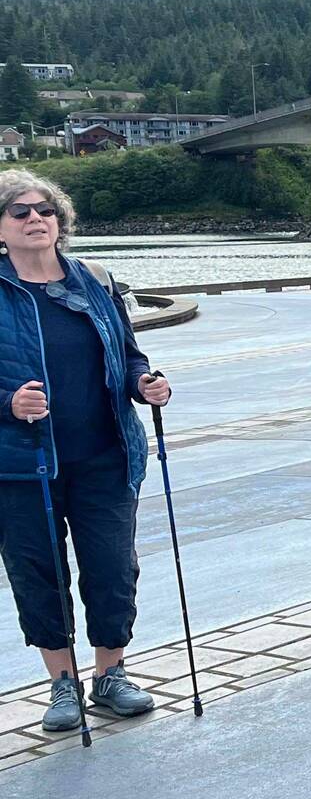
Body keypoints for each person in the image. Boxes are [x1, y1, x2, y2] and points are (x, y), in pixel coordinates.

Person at [0, 171, 170, 731]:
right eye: (19, 212)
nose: (34, 219)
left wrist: (144, 383)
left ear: (60, 221)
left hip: (106, 455)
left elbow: (128, 355)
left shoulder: (94, 280)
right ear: (1, 228)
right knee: (38, 573)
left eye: (44, 210)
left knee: (112, 569)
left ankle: (110, 675)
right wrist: (8, 403)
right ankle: (61, 683)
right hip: (22, 466)